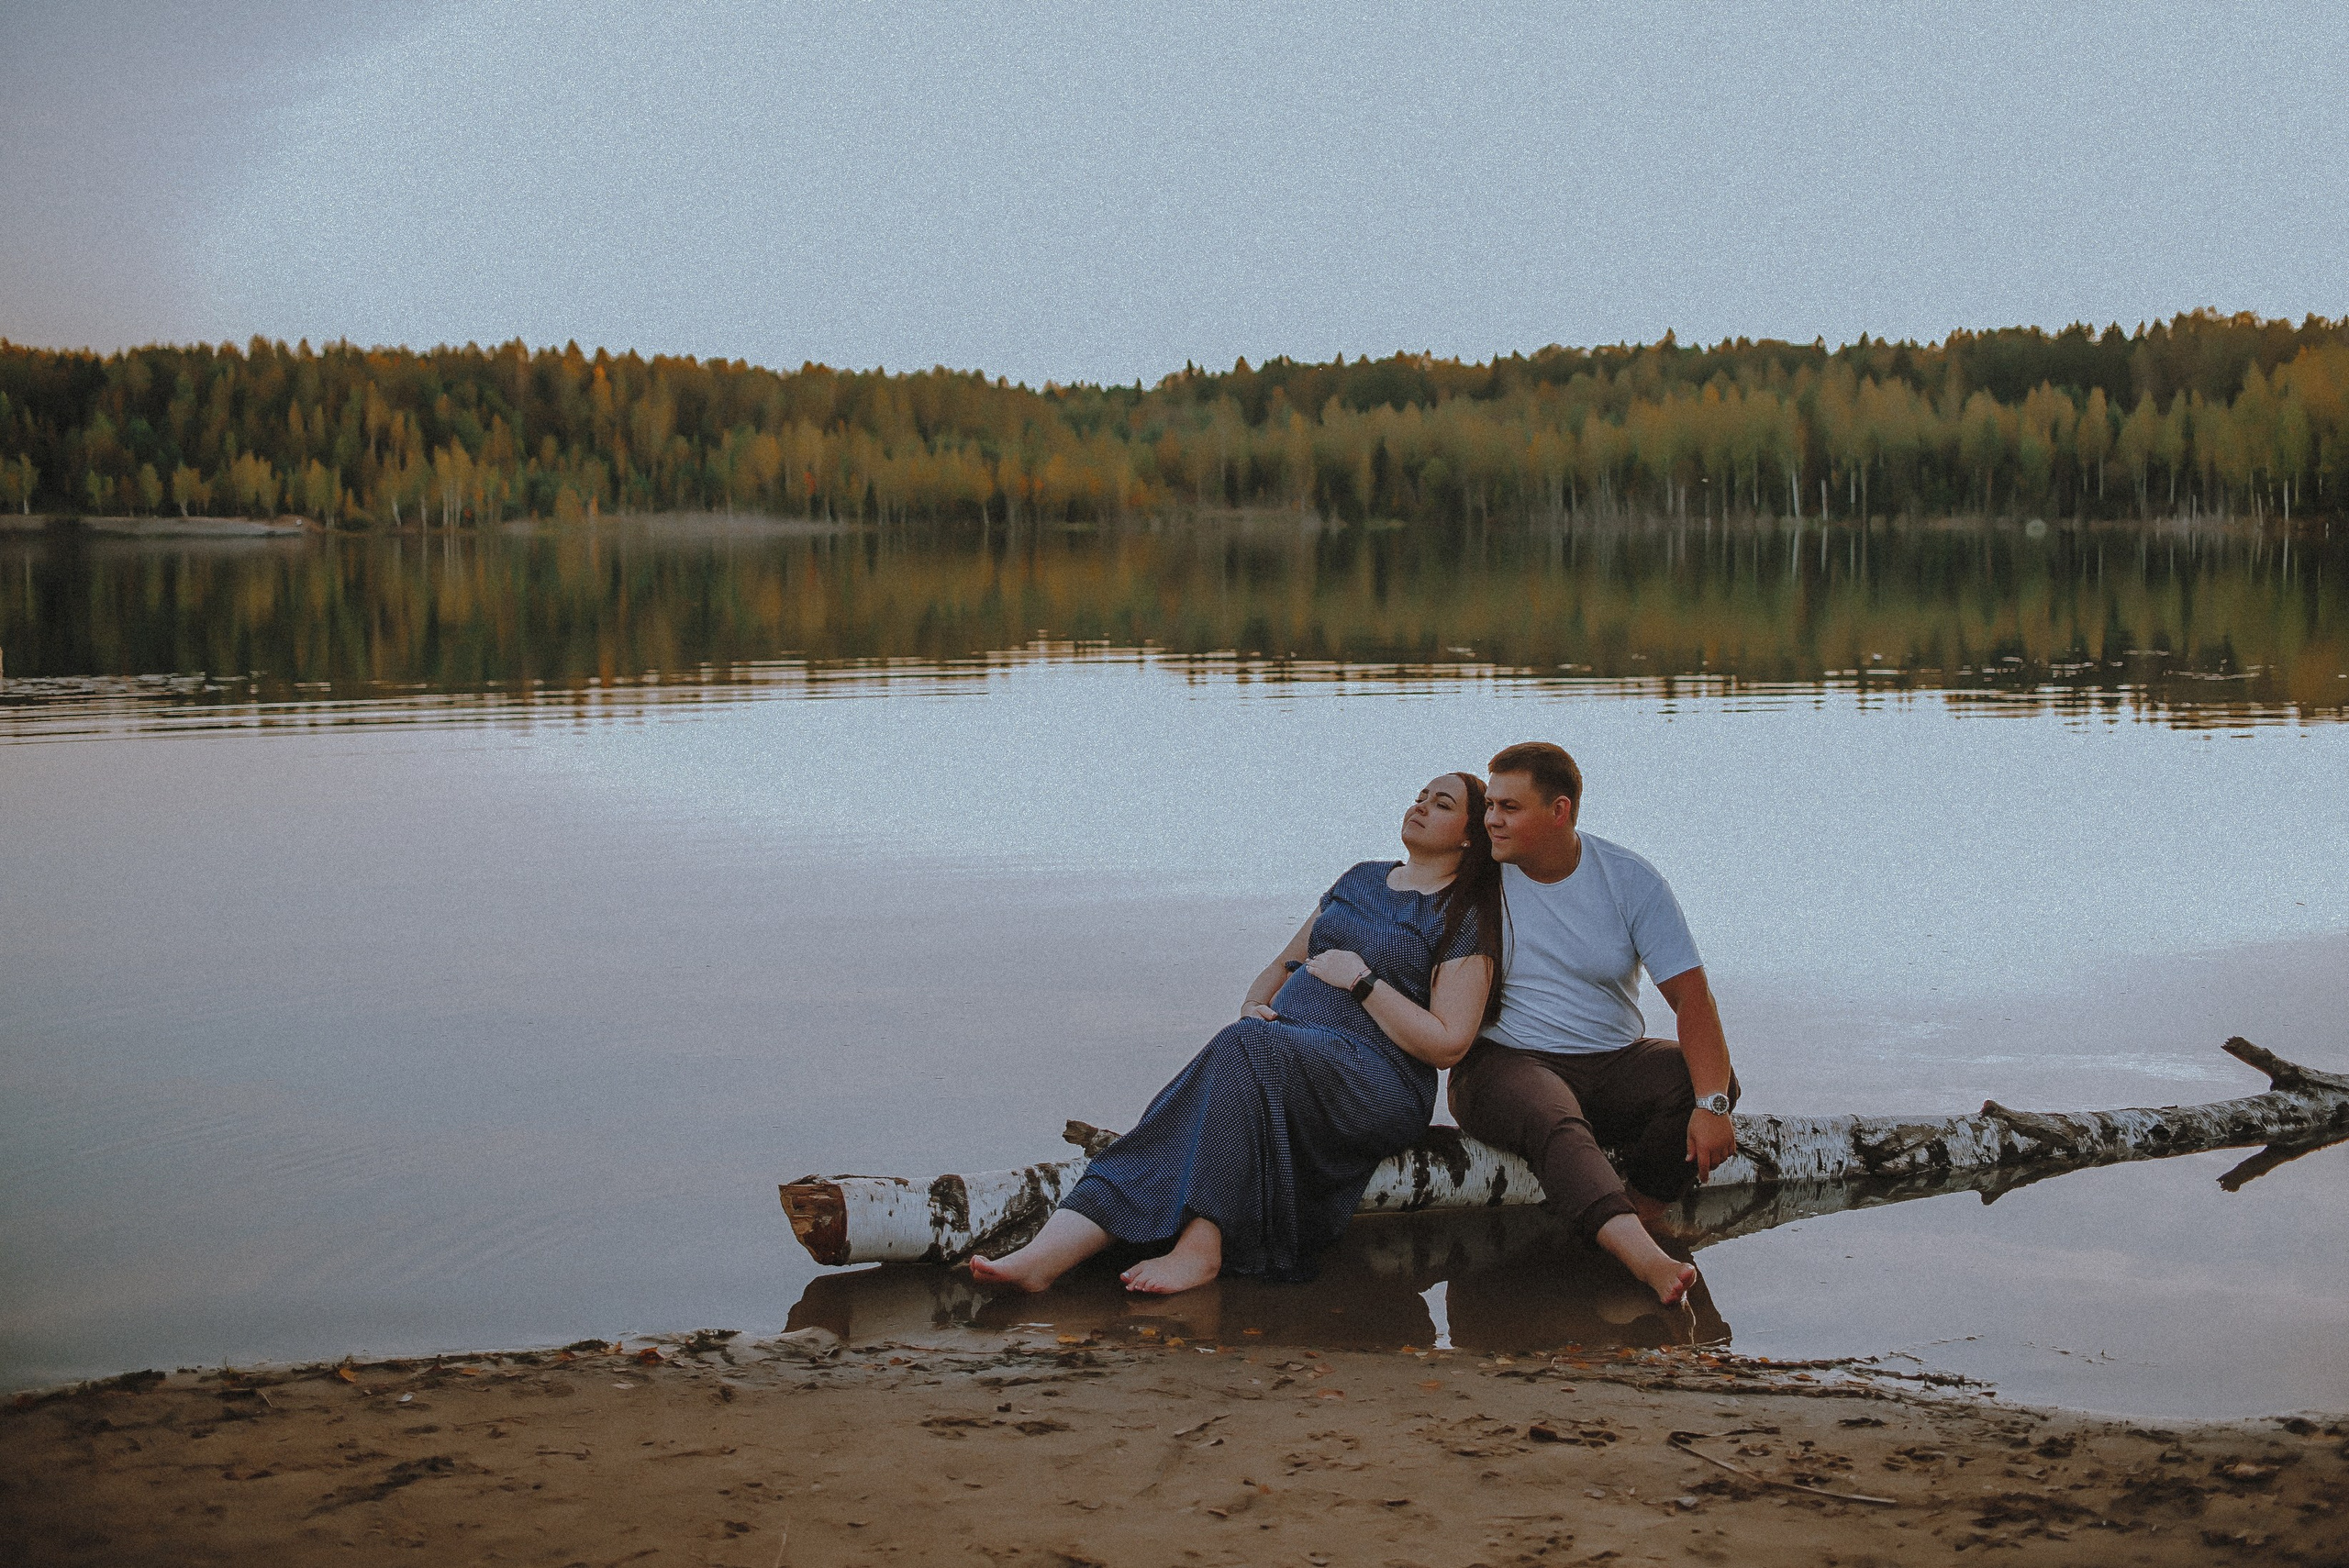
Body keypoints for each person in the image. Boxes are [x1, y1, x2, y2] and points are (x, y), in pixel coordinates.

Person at [970, 773, 1503, 1296]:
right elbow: (1287, 960)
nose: (1421, 806)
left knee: (1242, 1050)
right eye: (1419, 797)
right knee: (1210, 1086)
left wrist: (1364, 983)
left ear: (1468, 835)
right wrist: (1253, 1003)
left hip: (1376, 1083)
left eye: (1442, 803)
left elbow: (1448, 1044)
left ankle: (1203, 1245)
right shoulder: (1360, 877)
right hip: (1283, 1056)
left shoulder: (1462, 915)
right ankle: (1046, 1257)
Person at [1448, 740, 1740, 1307]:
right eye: (1490, 806)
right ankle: (1646, 1259)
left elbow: (1692, 999)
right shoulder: (1476, 872)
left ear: (1560, 811)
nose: (1492, 819)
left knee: (1704, 1079)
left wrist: (1712, 1107)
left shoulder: (1629, 879)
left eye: (1510, 808)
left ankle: (1629, 1218)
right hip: (1502, 1064)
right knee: (1552, 1113)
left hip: (1611, 1064)